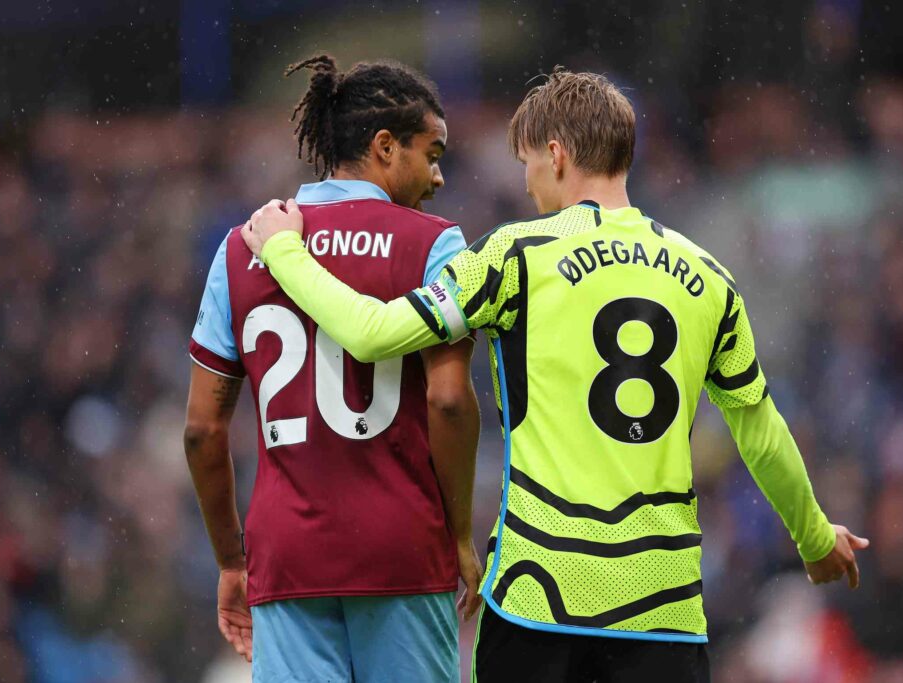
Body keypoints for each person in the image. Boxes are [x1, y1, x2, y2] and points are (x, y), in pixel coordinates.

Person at [241, 68, 869, 683]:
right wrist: (815, 538)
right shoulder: (707, 276)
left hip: (538, 599)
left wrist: (283, 250)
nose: (528, 184)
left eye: (528, 165)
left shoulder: (514, 256)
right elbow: (759, 431)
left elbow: (372, 332)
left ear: (557, 153)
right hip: (663, 607)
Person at [183, 53, 481, 683]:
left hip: (288, 555)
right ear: (383, 147)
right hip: (403, 545)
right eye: (432, 154)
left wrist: (232, 562)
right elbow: (449, 402)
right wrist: (459, 537)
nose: (438, 177)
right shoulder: (435, 244)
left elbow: (202, 432)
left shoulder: (243, 247)